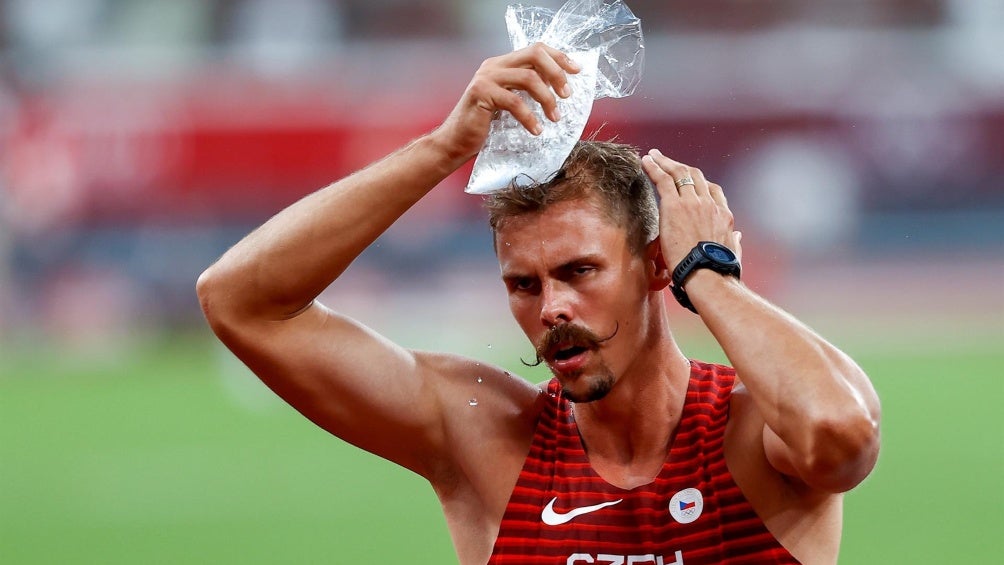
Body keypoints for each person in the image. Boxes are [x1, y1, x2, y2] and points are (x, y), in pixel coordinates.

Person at [197, 43, 881, 564]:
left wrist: (709, 276)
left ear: (654, 263)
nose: (551, 306)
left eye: (578, 270)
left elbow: (841, 433)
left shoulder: (752, 432)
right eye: (523, 284)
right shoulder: (486, 437)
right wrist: (445, 148)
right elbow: (238, 301)